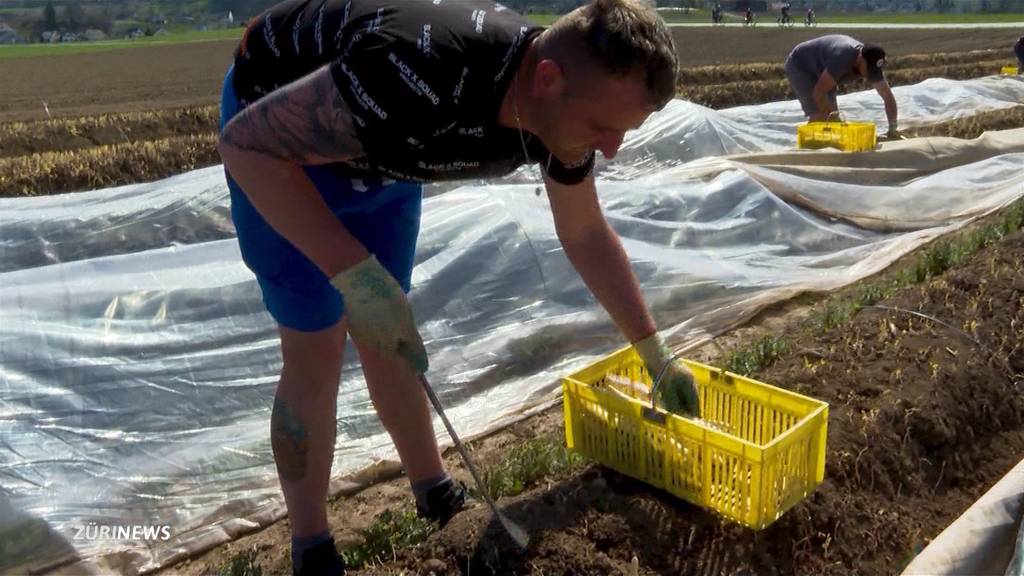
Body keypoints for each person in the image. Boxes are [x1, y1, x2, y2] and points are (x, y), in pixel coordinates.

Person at [217, 0, 700, 574]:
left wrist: (656, 353)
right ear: (546, 80)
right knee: (314, 347)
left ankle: (434, 488)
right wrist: (351, 270)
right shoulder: (421, 69)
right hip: (280, 146)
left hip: (388, 149)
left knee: (391, 328)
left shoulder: (562, 112)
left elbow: (586, 231)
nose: (611, 148)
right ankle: (312, 544)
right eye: (604, 128)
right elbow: (245, 146)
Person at [784, 34, 899, 138]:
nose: (870, 74)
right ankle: (809, 149)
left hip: (825, 70)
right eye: (868, 69)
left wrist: (892, 129)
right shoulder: (843, 57)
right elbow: (818, 93)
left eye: (874, 71)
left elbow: (887, 97)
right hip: (802, 65)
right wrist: (834, 121)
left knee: (831, 115)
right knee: (820, 114)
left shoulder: (872, 67)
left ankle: (825, 143)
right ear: (860, 58)